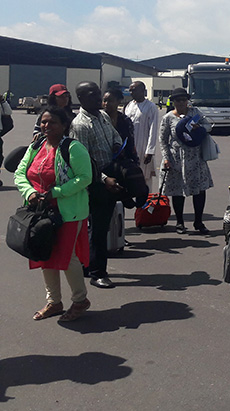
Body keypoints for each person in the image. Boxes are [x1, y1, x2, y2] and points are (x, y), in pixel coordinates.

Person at [16, 107, 93, 321]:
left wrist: (56, 192)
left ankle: (80, 300)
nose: (46, 126)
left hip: (68, 212)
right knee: (44, 254)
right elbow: (21, 172)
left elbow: (85, 177)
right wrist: (30, 192)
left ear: (64, 125)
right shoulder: (37, 145)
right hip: (40, 211)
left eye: (52, 123)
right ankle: (54, 302)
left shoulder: (73, 148)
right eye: (43, 122)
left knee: (67, 258)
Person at [68, 81, 123, 289]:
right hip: (94, 183)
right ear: (81, 99)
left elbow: (115, 136)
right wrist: (103, 179)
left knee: (99, 227)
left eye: (98, 93)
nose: (97, 97)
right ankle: (98, 272)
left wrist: (118, 144)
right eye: (92, 95)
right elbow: (83, 162)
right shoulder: (80, 125)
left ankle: (87, 264)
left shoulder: (103, 116)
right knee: (97, 229)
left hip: (111, 175)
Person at [160, 87, 214, 235]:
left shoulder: (195, 113)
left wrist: (200, 127)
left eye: (184, 100)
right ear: (173, 102)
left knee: (199, 190)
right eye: (178, 100)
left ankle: (198, 221)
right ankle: (180, 222)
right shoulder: (168, 118)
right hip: (176, 157)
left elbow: (209, 126)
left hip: (195, 157)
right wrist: (166, 158)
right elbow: (163, 140)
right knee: (178, 191)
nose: (182, 103)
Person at [124, 80, 160, 192]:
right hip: (129, 148)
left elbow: (153, 129)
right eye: (130, 91)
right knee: (130, 175)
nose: (131, 93)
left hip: (143, 148)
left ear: (143, 91)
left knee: (145, 177)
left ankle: (146, 203)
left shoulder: (151, 107)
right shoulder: (129, 105)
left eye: (133, 90)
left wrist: (150, 151)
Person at [103, 88, 139, 163]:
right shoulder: (99, 119)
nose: (106, 103)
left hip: (122, 160)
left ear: (118, 102)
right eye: (104, 100)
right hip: (104, 160)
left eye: (110, 101)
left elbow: (130, 142)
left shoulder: (125, 120)